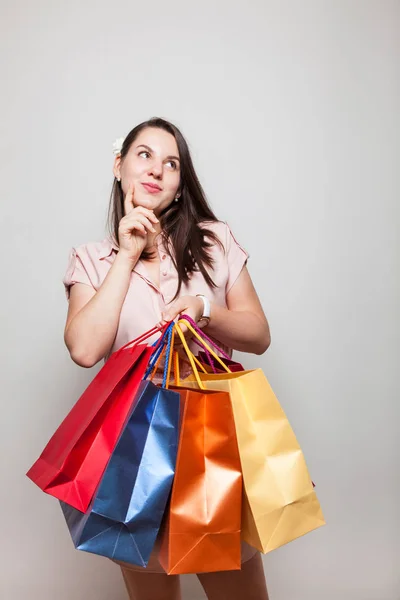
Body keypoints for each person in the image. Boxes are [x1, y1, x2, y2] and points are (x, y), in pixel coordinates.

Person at [63, 117, 271, 600]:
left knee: (239, 588)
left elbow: (258, 334)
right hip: (134, 450)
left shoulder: (214, 243)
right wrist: (127, 254)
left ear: (180, 185)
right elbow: (85, 349)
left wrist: (203, 310)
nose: (157, 169)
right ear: (119, 166)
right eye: (144, 155)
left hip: (211, 439)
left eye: (171, 162)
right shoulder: (92, 260)